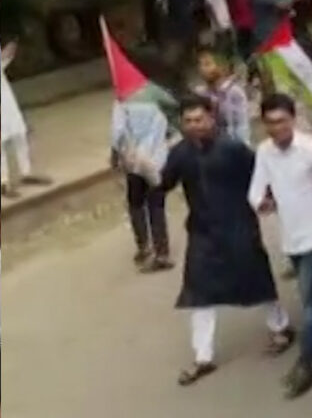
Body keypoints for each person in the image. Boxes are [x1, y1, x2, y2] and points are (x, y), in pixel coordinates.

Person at [132, 95, 293, 387]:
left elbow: (261, 175)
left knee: (256, 280)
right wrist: (145, 170)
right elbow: (164, 184)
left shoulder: (232, 149)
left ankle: (281, 327)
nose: (194, 126)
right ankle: (203, 357)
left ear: (211, 118)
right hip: (202, 232)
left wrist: (269, 199)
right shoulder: (181, 153)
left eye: (199, 119)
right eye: (188, 121)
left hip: (239, 227)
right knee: (199, 292)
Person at [247, 93, 312, 399]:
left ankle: (306, 364)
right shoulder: (265, 151)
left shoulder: (310, 149)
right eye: (270, 123)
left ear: (293, 119)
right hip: (291, 234)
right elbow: (255, 189)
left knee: (309, 302)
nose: (276, 128)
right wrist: (261, 202)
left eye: (282, 121)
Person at [111, 97, 172, 272]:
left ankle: (144, 246)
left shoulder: (122, 103)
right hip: (157, 159)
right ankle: (162, 252)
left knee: (136, 203)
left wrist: (115, 157)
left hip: (134, 160)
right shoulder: (154, 97)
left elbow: (117, 133)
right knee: (157, 205)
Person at [0, 42, 51, 198]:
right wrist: (4, 57)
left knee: (20, 134)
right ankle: (3, 182)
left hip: (5, 96)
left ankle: (26, 172)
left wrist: (7, 56)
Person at [195, 48, 251, 144]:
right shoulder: (201, 94)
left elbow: (241, 125)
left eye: (207, 64)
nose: (202, 69)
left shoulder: (234, 92)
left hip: (232, 144)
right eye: (200, 65)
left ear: (221, 67)